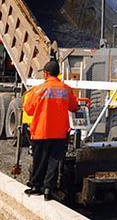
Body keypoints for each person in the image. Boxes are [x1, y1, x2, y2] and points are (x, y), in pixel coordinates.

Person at [23, 60, 83, 201]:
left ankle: (36, 186)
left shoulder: (38, 90)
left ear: (45, 74)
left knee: (39, 160)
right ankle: (48, 189)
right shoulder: (65, 89)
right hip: (59, 133)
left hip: (41, 131)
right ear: (58, 74)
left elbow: (28, 109)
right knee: (53, 162)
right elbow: (74, 107)